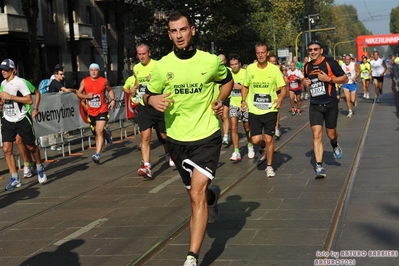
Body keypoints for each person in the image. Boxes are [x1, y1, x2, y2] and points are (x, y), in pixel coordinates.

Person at [144, 10, 233, 266]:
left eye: (183, 29)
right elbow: (143, 96)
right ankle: (212, 198)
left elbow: (227, 80)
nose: (179, 35)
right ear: (169, 34)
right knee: (197, 196)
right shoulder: (162, 66)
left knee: (196, 194)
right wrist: (152, 99)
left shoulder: (210, 61)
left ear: (192, 30)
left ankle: (191, 257)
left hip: (207, 135)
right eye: (174, 31)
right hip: (177, 140)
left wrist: (219, 100)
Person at [303, 41, 348, 179]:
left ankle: (334, 144)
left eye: (315, 49)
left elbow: (345, 78)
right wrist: (305, 84)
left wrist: (329, 79)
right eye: (310, 49)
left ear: (321, 50)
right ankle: (319, 166)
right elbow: (306, 83)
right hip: (315, 105)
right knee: (316, 135)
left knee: (331, 134)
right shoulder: (307, 66)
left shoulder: (330, 63)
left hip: (330, 104)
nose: (313, 52)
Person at [0, 58, 47, 190]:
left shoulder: (20, 82)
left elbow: (29, 100)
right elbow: (2, 99)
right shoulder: (2, 83)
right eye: (2, 70)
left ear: (13, 70)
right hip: (7, 119)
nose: (3, 72)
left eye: (6, 69)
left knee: (31, 147)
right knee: (6, 149)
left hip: (21, 118)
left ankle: (39, 167)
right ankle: (15, 177)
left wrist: (11, 97)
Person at [241, 43, 287, 177]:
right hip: (254, 110)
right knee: (255, 140)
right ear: (256, 54)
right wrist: (243, 100)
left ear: (267, 53)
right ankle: (263, 148)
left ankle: (269, 166)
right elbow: (245, 86)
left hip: (270, 109)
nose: (260, 55)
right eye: (258, 53)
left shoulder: (274, 70)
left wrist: (280, 99)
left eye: (263, 52)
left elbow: (283, 88)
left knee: (269, 139)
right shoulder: (250, 68)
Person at [134, 43, 174, 179]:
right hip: (143, 105)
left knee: (163, 135)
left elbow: (167, 81)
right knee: (145, 137)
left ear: (149, 53)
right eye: (139, 54)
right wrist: (134, 88)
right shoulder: (136, 68)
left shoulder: (158, 65)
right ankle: (146, 166)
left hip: (157, 104)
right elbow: (137, 83)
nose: (141, 57)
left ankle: (169, 152)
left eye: (143, 54)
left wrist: (155, 79)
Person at [76, 63, 115, 164]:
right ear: (89, 71)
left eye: (95, 70)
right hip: (91, 111)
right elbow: (78, 94)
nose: (93, 71)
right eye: (91, 70)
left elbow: (110, 90)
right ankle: (107, 136)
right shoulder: (85, 81)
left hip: (102, 110)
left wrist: (113, 100)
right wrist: (86, 96)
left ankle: (97, 154)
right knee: (97, 133)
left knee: (99, 131)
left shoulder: (104, 81)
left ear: (99, 71)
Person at [228, 53, 254, 161]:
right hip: (233, 103)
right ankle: (236, 151)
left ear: (239, 64)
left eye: (236, 64)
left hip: (245, 103)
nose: (234, 66)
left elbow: (249, 86)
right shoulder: (228, 73)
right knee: (233, 127)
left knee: (247, 127)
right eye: (232, 64)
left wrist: (240, 87)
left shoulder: (245, 72)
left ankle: (250, 145)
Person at [48, 66, 77, 151]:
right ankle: (52, 144)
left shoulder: (62, 81)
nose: (62, 76)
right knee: (53, 126)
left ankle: (58, 141)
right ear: (55, 75)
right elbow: (66, 90)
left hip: (59, 106)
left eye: (63, 74)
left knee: (59, 125)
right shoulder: (55, 82)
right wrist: (75, 90)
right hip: (52, 107)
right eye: (61, 74)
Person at [268, 55, 287, 139]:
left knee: (276, 110)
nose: (272, 63)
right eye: (271, 61)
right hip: (267, 93)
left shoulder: (277, 70)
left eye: (274, 61)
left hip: (277, 92)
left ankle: (276, 128)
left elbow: (283, 83)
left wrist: (277, 88)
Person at [218, 53, 231, 145]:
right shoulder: (214, 70)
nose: (221, 62)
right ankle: (224, 133)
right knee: (221, 117)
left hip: (227, 97)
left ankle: (226, 136)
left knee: (225, 116)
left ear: (225, 61)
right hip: (216, 97)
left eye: (222, 60)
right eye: (219, 61)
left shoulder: (228, 70)